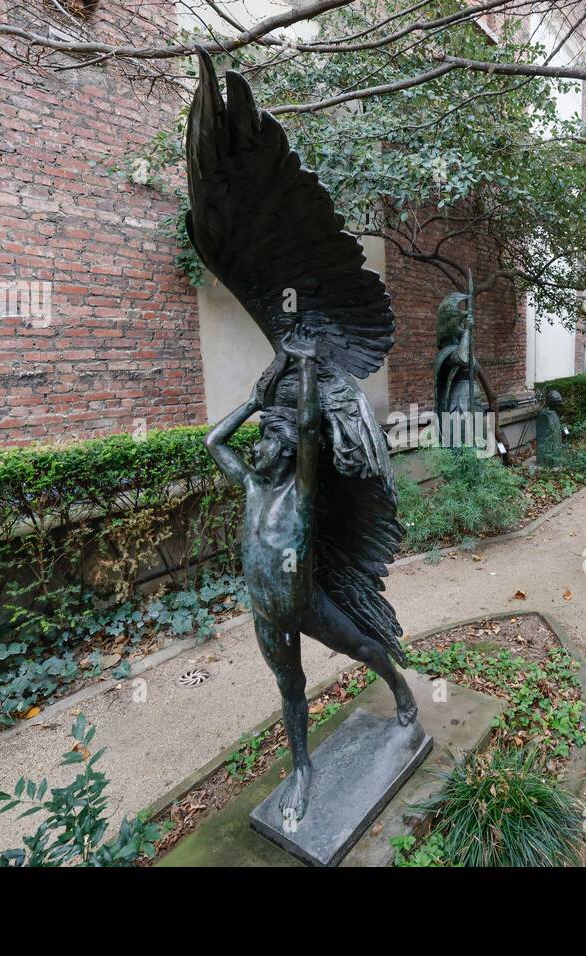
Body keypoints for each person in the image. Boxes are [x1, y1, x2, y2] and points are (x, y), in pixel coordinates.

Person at [204, 328, 418, 820]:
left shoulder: (298, 493)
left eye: (265, 442)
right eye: (258, 442)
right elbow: (214, 440)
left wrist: (303, 365)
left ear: (283, 452)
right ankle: (302, 770)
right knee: (290, 688)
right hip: (266, 613)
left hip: (306, 603)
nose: (257, 448)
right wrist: (254, 403)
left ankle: (400, 688)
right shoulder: (253, 487)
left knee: (362, 647)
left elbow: (306, 429)